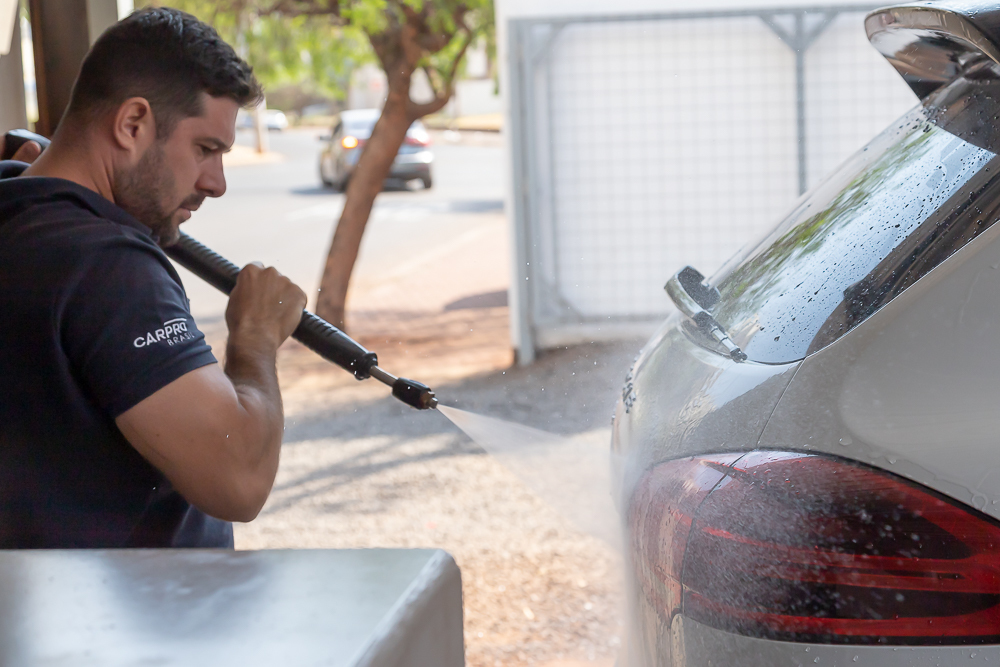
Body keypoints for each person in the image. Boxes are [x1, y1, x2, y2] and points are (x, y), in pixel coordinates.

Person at [0, 7, 307, 548]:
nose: (216, 183)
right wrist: (256, 339)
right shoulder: (106, 266)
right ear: (132, 124)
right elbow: (238, 480)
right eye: (205, 149)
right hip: (125, 623)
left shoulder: (20, 208)